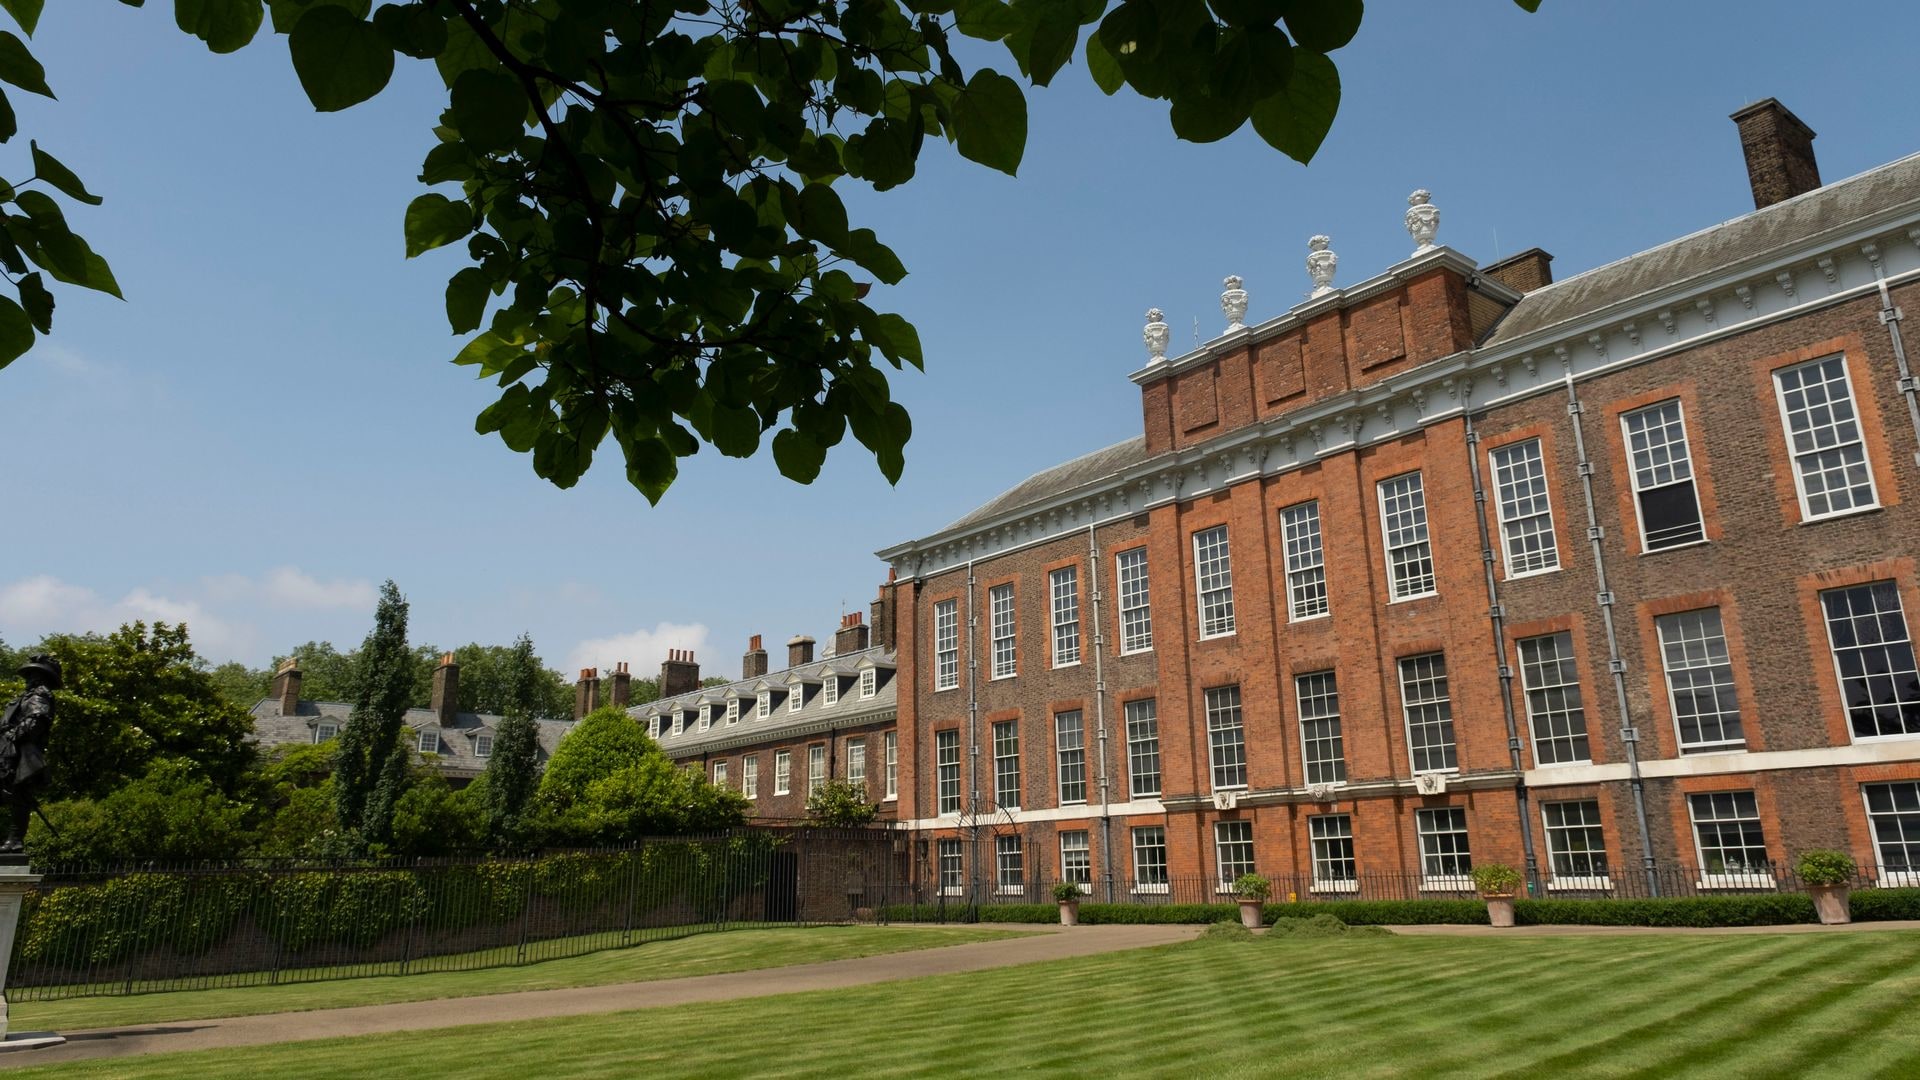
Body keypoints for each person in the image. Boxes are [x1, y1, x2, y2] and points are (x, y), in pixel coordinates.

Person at [0, 653, 58, 854]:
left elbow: (36, 720)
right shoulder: (25, 697)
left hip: (19, 753)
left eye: (33, 674)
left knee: (18, 795)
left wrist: (14, 734)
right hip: (8, 750)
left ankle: (15, 839)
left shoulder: (39, 695)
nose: (29, 679)